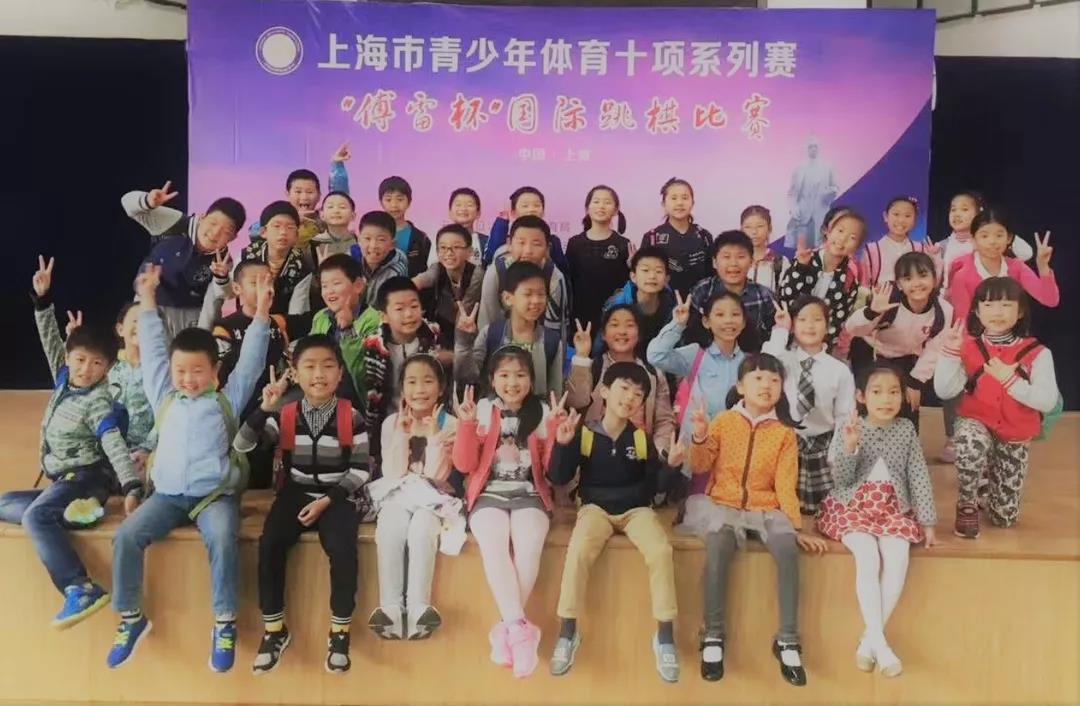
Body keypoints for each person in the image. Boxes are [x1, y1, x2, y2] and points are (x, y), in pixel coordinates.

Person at [107, 264, 271, 671]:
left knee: (223, 538)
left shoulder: (227, 400)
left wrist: (262, 314)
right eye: (181, 371)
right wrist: (148, 299)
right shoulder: (164, 396)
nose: (188, 379)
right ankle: (130, 616)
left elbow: (251, 363)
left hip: (214, 496)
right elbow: (154, 351)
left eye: (198, 371)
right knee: (126, 536)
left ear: (215, 373)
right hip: (166, 497)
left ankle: (225, 622)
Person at [0, 257, 141, 629]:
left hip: (87, 479)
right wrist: (43, 300)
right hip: (63, 482)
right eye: (80, 360)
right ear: (68, 358)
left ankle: (80, 587)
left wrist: (131, 485)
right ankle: (70, 515)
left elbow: (113, 442)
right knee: (4, 503)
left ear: (107, 368)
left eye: (96, 364)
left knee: (35, 516)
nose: (86, 369)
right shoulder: (64, 380)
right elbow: (50, 339)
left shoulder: (99, 401)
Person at [683, 353, 828, 685]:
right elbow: (700, 465)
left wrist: (794, 526)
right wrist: (700, 436)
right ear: (740, 386)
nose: (766, 385)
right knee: (718, 545)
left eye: (774, 380)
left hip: (766, 508)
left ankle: (787, 639)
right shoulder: (723, 421)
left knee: (787, 548)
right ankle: (713, 634)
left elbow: (785, 484)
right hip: (722, 504)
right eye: (758, 378)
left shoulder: (784, 433)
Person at [235, 336, 368, 675]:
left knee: (342, 549)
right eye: (309, 366)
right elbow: (243, 444)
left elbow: (360, 470)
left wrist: (327, 501)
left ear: (340, 373)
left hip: (337, 495)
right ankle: (274, 630)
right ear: (294, 374)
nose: (319, 374)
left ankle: (339, 632)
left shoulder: (351, 417)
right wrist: (265, 408)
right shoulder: (285, 414)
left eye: (327, 366)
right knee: (270, 544)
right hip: (296, 492)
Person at [548, 363, 685, 682]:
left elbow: (656, 486)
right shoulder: (583, 432)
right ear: (605, 391)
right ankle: (567, 631)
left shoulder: (641, 439)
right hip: (594, 508)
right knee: (578, 550)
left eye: (638, 394)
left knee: (661, 551)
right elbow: (558, 476)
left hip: (637, 510)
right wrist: (563, 445)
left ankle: (665, 636)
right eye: (624, 388)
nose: (631, 398)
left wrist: (671, 467)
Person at [451, 351, 567, 679]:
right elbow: (464, 465)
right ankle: (520, 631)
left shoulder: (542, 411)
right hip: (487, 496)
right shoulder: (482, 409)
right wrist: (466, 425)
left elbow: (552, 471)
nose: (512, 382)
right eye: (504, 375)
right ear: (492, 379)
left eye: (520, 375)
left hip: (531, 496)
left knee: (528, 550)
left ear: (531, 380)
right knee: (494, 546)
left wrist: (556, 430)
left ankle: (506, 629)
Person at [819, 363, 937, 678]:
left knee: (898, 562)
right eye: (877, 391)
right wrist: (850, 446)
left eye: (894, 392)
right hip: (853, 506)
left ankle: (869, 641)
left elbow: (918, 475)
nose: (886, 399)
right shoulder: (848, 425)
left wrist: (927, 522)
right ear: (861, 396)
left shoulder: (906, 429)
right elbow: (841, 480)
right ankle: (881, 646)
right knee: (868, 558)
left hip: (892, 508)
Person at [934, 277, 1060, 539]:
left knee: (1004, 518)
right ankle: (967, 503)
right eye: (989, 305)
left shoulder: (1038, 352)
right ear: (977, 311)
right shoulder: (967, 345)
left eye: (1006, 304)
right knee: (971, 443)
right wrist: (949, 354)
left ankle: (986, 486)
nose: (998, 312)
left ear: (1020, 311)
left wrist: (1010, 381)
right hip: (976, 422)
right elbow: (944, 391)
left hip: (1014, 434)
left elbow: (1047, 401)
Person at [369, 355, 461, 640]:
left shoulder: (451, 424)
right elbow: (392, 472)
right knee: (390, 527)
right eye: (411, 382)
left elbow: (437, 476)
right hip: (398, 493)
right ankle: (391, 609)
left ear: (441, 388)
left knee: (422, 529)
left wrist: (433, 437)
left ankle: (419, 607)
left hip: (433, 497)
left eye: (428, 381)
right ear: (402, 388)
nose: (419, 389)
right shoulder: (390, 423)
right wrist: (402, 434)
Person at [764, 296, 856, 516]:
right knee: (780, 507)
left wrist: (836, 455)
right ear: (793, 325)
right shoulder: (783, 360)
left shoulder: (839, 370)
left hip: (822, 447)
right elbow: (765, 364)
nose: (810, 325)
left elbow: (843, 415)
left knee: (827, 510)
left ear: (828, 325)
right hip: (786, 442)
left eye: (817, 319)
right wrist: (781, 329)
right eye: (802, 319)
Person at [121, 181, 246, 340]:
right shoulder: (176, 222)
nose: (215, 233)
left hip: (190, 317)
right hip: (151, 303)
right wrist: (148, 201)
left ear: (233, 238)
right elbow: (127, 204)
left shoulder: (223, 261)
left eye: (226, 231)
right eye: (213, 223)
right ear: (202, 217)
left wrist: (201, 337)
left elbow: (218, 299)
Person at [846, 253, 953, 433]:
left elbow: (934, 350)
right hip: (873, 352)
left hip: (908, 358)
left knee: (910, 405)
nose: (917, 283)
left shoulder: (944, 310)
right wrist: (872, 312)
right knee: (873, 404)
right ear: (899, 284)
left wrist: (915, 382)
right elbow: (853, 329)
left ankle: (907, 444)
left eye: (923, 275)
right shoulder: (888, 300)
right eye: (908, 278)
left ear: (934, 279)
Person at [647, 290, 752, 469]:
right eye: (720, 314)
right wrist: (677, 324)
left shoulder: (750, 363)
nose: (728, 320)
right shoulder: (695, 355)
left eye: (735, 314)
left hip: (735, 454)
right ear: (706, 321)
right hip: (696, 449)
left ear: (743, 322)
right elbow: (656, 355)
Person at [565, 306, 676, 458]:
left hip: (639, 456)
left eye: (630, 325)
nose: (622, 331)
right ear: (603, 334)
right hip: (595, 454)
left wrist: (657, 455)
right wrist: (582, 356)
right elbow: (575, 402)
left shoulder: (653, 373)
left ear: (639, 334)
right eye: (615, 325)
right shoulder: (593, 367)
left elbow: (664, 420)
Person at [359, 277, 441, 473]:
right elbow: (370, 394)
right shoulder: (373, 346)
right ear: (384, 316)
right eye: (399, 309)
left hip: (429, 422)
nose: (409, 314)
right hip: (389, 423)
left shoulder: (433, 336)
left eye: (414, 306)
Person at [457, 261, 564, 399]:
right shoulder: (491, 334)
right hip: (494, 410)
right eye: (528, 294)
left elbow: (555, 393)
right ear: (508, 298)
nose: (536, 301)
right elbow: (468, 377)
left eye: (541, 294)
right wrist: (465, 341)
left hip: (537, 411)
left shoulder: (551, 341)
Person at [946, 209, 1058, 325]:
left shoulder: (1017, 267)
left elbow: (1050, 300)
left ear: (1008, 238)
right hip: (976, 334)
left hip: (1011, 332)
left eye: (999, 235)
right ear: (973, 240)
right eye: (984, 236)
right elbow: (962, 321)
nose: (992, 241)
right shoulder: (962, 272)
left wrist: (1043, 267)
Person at [778, 209, 866, 353]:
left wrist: (820, 347)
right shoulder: (805, 258)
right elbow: (785, 296)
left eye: (852, 237)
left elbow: (838, 319)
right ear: (827, 231)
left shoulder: (850, 279)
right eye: (840, 231)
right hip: (787, 340)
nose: (842, 239)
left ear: (857, 247)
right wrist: (800, 267)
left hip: (818, 347)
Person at [477, 215, 571, 346]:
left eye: (536, 244)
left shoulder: (554, 276)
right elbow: (487, 320)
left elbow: (556, 330)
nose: (528, 251)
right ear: (509, 244)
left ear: (547, 248)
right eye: (521, 243)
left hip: (540, 346)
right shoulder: (496, 272)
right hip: (502, 345)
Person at [309, 254, 382, 402]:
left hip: (357, 400)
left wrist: (348, 330)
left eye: (336, 283)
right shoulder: (321, 317)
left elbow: (361, 374)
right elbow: (308, 356)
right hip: (319, 391)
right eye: (324, 286)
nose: (329, 291)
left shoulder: (374, 321)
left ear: (358, 286)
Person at [248, 145, 352, 248]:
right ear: (288, 194)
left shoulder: (323, 218)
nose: (304, 197)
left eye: (309, 192)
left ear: (319, 195)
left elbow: (339, 198)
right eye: (298, 192)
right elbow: (253, 232)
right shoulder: (279, 216)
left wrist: (337, 165)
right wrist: (292, 218)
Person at [565, 185, 631, 338]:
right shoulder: (575, 243)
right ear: (587, 208)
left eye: (607, 202)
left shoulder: (623, 244)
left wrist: (632, 266)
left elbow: (628, 286)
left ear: (616, 210)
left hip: (613, 317)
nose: (601, 206)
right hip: (580, 315)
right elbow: (569, 281)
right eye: (596, 201)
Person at [688, 230, 777, 344]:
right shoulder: (703, 290)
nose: (733, 263)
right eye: (726, 257)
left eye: (741, 256)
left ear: (751, 261)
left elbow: (772, 336)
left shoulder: (763, 295)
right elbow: (691, 334)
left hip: (751, 353)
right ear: (714, 262)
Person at [938, 191, 1033, 289]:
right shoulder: (941, 247)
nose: (957, 214)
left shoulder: (991, 241)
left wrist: (1005, 234)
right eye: (953, 210)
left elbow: (1027, 254)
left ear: (978, 213)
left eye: (964, 209)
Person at [413, 224, 484, 354]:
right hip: (442, 335)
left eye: (456, 247)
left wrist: (455, 355)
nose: (449, 253)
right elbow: (424, 278)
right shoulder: (437, 268)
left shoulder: (477, 274)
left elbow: (466, 309)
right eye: (443, 247)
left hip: (470, 337)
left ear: (469, 252)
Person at [640, 178, 714, 297]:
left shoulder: (704, 236)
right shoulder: (652, 237)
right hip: (663, 302)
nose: (680, 203)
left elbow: (712, 274)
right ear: (664, 204)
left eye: (685, 198)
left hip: (699, 301)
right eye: (674, 198)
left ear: (692, 203)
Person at [239, 201, 313, 316]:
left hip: (282, 321)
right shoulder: (247, 255)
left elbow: (297, 311)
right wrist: (222, 278)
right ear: (263, 232)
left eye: (290, 227)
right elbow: (230, 292)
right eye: (276, 226)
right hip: (246, 317)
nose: (283, 232)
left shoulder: (302, 265)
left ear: (296, 235)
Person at [602, 245, 677, 357]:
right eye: (645, 270)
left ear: (666, 279)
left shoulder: (674, 307)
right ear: (633, 277)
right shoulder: (617, 304)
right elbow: (602, 347)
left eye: (658, 271)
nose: (652, 276)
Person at [858, 196, 942, 288]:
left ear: (914, 220)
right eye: (896, 214)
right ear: (886, 216)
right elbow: (864, 286)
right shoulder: (871, 250)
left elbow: (932, 283)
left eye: (907, 216)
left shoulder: (921, 249)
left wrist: (935, 258)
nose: (901, 220)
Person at [482, 186, 569, 274]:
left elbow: (563, 270)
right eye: (525, 206)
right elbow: (489, 259)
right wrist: (502, 220)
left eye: (536, 205)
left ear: (543, 211)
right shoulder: (506, 239)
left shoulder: (552, 241)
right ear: (513, 212)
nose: (531, 210)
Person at [109, 302, 155, 469]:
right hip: (110, 451)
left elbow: (166, 414)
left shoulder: (161, 370)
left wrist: (146, 450)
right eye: (135, 320)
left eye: (146, 321)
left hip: (148, 455)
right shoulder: (107, 368)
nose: (141, 326)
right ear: (120, 329)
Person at [784, 136, 839, 249]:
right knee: (802, 248)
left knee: (821, 246)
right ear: (806, 149)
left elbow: (835, 187)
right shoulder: (799, 169)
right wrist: (793, 207)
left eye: (815, 147)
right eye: (810, 147)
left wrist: (829, 193)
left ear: (819, 149)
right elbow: (792, 192)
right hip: (803, 214)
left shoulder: (827, 168)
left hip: (821, 212)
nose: (813, 149)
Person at [308, 190, 358, 311]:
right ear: (322, 215)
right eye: (330, 207)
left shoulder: (358, 243)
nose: (336, 211)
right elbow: (307, 282)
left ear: (353, 216)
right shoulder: (313, 244)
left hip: (354, 303)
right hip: (321, 305)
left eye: (342, 207)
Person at [350, 210, 410, 309]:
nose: (373, 246)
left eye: (381, 240)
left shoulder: (396, 272)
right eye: (367, 238)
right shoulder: (351, 257)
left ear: (392, 244)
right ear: (359, 240)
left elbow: (390, 308)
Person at [378, 176, 431, 278]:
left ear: (409, 202)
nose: (394, 205)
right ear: (381, 202)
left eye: (400, 199)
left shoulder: (421, 238)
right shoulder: (373, 235)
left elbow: (424, 271)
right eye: (388, 199)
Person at [427, 187, 488, 266]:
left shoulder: (485, 242)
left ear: (478, 213)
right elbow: (432, 267)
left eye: (469, 205)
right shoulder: (439, 238)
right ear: (450, 212)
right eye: (458, 205)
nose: (463, 209)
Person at [740, 205, 789, 294]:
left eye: (760, 226)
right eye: (748, 227)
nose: (754, 232)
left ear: (769, 228)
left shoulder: (780, 261)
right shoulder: (735, 261)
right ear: (741, 230)